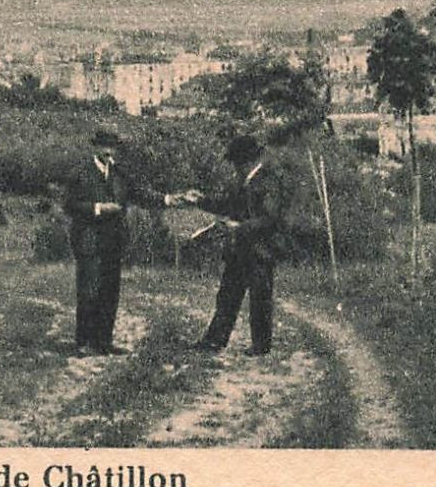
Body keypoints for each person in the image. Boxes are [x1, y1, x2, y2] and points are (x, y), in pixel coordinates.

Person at [59, 127, 188, 357]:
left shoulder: (119, 174)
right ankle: (83, 342)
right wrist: (98, 208)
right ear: (96, 147)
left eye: (113, 147)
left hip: (113, 240)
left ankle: (104, 341)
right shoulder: (80, 173)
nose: (109, 151)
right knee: (89, 290)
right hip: (88, 240)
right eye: (105, 146)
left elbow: (139, 193)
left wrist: (169, 199)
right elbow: (69, 205)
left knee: (110, 291)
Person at [186, 134, 295, 356]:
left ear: (247, 161)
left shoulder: (269, 182)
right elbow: (226, 205)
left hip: (261, 250)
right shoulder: (243, 182)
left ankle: (261, 346)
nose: (236, 168)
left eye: (237, 163)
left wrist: (239, 227)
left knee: (260, 299)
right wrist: (200, 200)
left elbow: (270, 218)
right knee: (227, 295)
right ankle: (214, 340)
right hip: (239, 250)